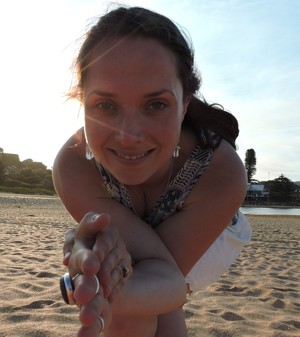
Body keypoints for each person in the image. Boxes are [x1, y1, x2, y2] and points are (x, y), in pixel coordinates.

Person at [53, 5, 252, 337]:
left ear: (184, 105)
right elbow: (146, 277)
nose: (129, 136)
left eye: (156, 105)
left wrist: (113, 287)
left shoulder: (222, 171)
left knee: (151, 297)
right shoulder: (74, 166)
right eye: (105, 105)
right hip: (136, 243)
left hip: (208, 233)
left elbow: (169, 282)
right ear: (82, 102)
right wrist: (102, 282)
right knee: (123, 287)